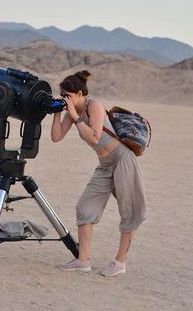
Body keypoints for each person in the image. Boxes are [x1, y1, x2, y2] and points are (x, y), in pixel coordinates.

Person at [51, 70, 146, 277]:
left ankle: (119, 263)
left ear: (78, 94)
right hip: (104, 164)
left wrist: (75, 116)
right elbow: (56, 137)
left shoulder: (93, 106)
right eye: (61, 95)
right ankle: (82, 260)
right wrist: (57, 111)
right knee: (84, 207)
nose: (64, 98)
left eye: (66, 95)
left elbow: (94, 138)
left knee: (129, 212)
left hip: (122, 159)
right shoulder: (71, 113)